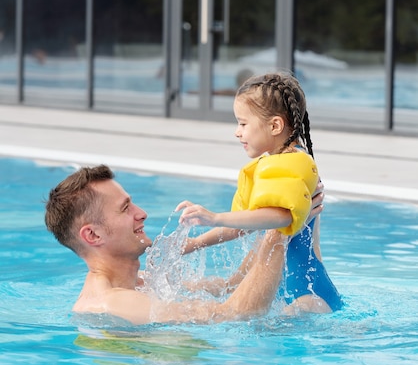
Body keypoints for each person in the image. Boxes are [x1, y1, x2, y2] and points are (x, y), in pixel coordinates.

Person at [176, 72, 342, 314]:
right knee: (230, 288)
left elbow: (280, 217)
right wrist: (195, 244)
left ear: (275, 125)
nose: (237, 131)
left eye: (243, 123)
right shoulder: (274, 165)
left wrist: (214, 217)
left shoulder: (295, 161)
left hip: (310, 296)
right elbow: (244, 222)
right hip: (291, 289)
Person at [45, 164, 294, 326]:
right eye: (125, 208)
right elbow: (236, 316)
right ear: (93, 235)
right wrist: (282, 229)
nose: (141, 213)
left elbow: (230, 286)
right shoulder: (112, 304)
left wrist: (270, 221)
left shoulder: (139, 283)